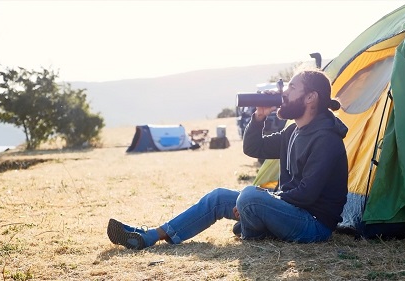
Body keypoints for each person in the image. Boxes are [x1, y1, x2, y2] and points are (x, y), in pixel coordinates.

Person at [107, 69, 348, 250]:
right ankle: (149, 236)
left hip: (313, 225)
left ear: (310, 98)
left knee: (251, 196)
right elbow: (254, 147)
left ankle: (255, 225)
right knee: (219, 196)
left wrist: (260, 202)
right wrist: (259, 117)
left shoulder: (326, 138)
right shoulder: (293, 131)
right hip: (291, 211)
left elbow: (306, 194)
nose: (284, 93)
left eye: (292, 89)